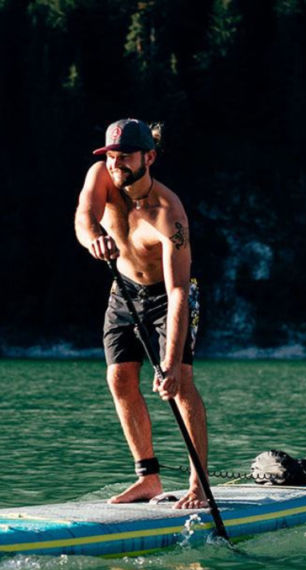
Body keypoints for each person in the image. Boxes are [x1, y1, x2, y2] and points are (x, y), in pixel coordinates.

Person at [74, 118, 209, 510]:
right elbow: (84, 217)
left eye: (126, 157)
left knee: (180, 382)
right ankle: (148, 478)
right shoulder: (101, 176)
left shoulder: (168, 213)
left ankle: (199, 484)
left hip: (169, 299)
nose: (117, 165)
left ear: (149, 157)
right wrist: (93, 241)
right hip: (124, 291)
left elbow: (179, 290)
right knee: (119, 378)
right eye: (112, 156)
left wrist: (167, 363)